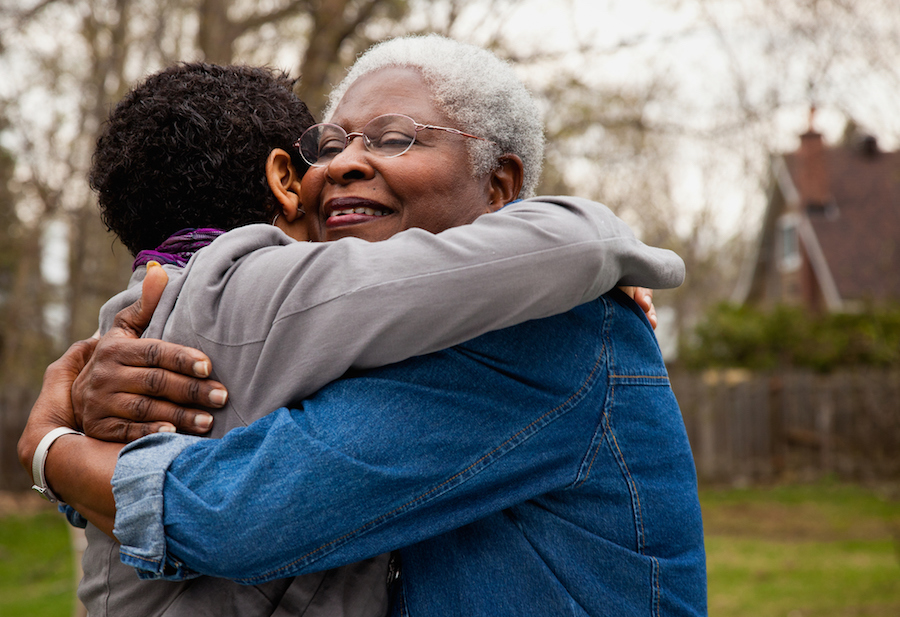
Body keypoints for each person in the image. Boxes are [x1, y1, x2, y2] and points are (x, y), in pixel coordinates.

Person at [21, 35, 706, 616]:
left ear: (499, 187)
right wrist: (94, 387)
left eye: (395, 138)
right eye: (332, 142)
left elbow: (239, 513)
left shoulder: (555, 328)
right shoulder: (360, 334)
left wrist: (54, 451)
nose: (345, 161)